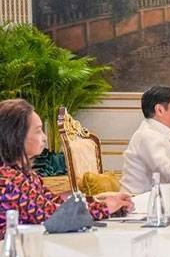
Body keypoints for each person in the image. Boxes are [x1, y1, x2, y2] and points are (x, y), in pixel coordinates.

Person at [0, 98, 133, 237]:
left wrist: (102, 201)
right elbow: (53, 217)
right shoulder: (9, 181)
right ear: (17, 136)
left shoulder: (26, 175)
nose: (44, 138)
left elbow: (55, 204)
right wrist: (106, 207)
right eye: (38, 131)